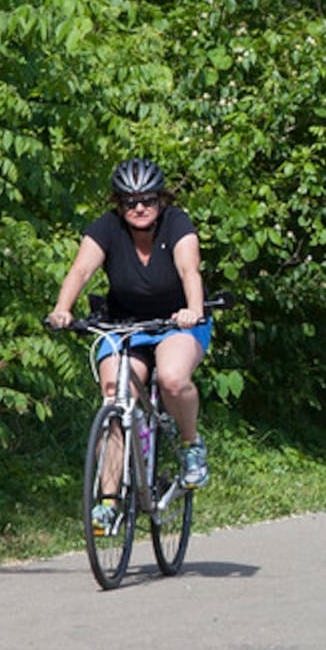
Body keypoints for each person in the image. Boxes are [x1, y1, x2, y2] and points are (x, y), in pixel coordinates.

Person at [47, 158, 213, 531]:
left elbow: (190, 269)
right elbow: (81, 270)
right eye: (129, 201)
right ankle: (108, 501)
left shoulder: (177, 223)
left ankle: (190, 448)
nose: (139, 208)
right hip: (124, 325)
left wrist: (193, 310)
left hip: (175, 322)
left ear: (160, 200)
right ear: (118, 205)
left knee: (171, 378)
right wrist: (62, 309)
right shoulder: (106, 229)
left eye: (148, 200)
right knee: (116, 401)